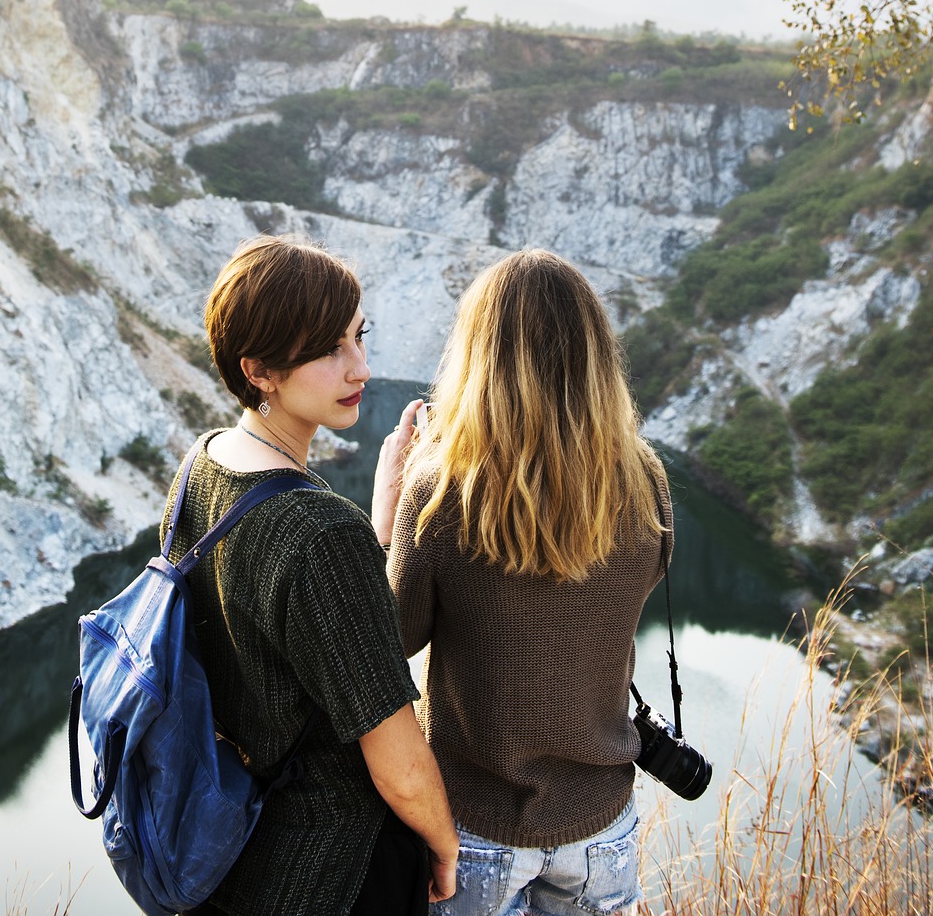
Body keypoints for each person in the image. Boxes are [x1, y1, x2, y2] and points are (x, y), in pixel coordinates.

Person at [164, 234, 458, 916]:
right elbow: (399, 760)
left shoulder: (200, 468)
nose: (359, 365)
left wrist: (379, 518)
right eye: (329, 349)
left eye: (359, 336)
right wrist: (444, 844)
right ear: (259, 369)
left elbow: (306, 634)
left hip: (232, 852)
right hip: (339, 871)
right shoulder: (320, 531)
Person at [372, 249, 672, 916]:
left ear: (478, 356)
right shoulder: (644, 478)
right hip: (603, 825)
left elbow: (388, 637)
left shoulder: (441, 490)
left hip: (474, 826)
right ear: (596, 354)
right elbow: (642, 578)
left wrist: (388, 521)